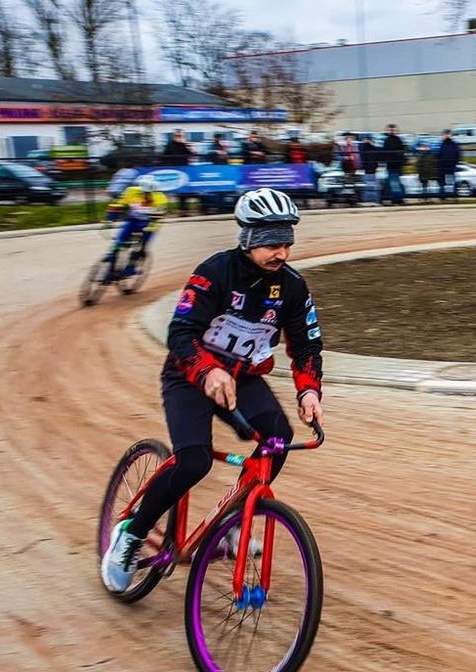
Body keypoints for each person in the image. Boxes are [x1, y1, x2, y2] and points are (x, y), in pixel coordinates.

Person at [101, 187, 325, 593]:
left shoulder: (292, 287)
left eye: (287, 241)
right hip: (189, 377)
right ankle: (131, 535)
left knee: (278, 438)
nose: (282, 252)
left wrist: (308, 391)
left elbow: (306, 343)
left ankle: (232, 523)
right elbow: (181, 333)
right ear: (249, 239)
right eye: (272, 242)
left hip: (243, 377)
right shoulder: (215, 272)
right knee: (194, 461)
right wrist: (206, 371)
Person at [104, 173, 168, 277]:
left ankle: (131, 267)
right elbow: (117, 204)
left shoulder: (160, 198)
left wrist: (149, 228)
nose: (146, 195)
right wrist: (109, 220)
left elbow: (158, 217)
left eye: (149, 193)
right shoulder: (131, 191)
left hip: (149, 223)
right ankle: (110, 268)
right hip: (133, 220)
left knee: (141, 247)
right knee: (118, 242)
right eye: (143, 192)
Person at [381, 124, 406, 205]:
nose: (392, 131)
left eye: (393, 130)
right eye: (390, 130)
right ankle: (396, 198)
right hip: (392, 164)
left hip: (396, 165)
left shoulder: (397, 140)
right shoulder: (388, 140)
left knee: (394, 182)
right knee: (394, 182)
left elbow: (402, 152)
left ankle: (395, 198)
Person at [336, 132, 363, 203]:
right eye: (348, 139)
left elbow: (358, 156)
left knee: (352, 181)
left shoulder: (355, 147)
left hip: (353, 166)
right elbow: (338, 156)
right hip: (345, 166)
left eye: (350, 139)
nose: (349, 140)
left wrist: (358, 163)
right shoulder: (342, 147)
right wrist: (346, 157)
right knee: (347, 181)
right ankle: (348, 197)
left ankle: (352, 197)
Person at [437, 129, 461, 201]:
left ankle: (454, 196)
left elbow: (457, 155)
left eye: (448, 134)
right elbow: (438, 156)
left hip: (451, 167)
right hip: (442, 167)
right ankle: (442, 196)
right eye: (445, 135)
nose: (447, 136)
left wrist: (455, 163)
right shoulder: (441, 145)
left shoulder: (454, 145)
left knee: (452, 182)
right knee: (442, 183)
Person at [360, 134, 381, 206]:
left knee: (371, 185)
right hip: (368, 168)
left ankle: (373, 200)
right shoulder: (363, 147)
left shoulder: (372, 148)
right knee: (369, 185)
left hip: (371, 168)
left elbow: (377, 157)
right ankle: (369, 200)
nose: (367, 141)